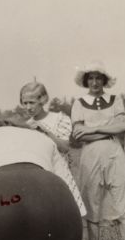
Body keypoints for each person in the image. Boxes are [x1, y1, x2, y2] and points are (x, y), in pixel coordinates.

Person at [71, 61, 125, 240]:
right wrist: (108, 130)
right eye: (90, 78)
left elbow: (124, 126)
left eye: (98, 78)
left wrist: (94, 128)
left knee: (123, 199)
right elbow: (79, 134)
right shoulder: (79, 103)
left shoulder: (115, 100)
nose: (94, 82)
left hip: (114, 152)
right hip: (90, 154)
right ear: (85, 81)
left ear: (104, 80)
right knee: (91, 201)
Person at [20, 81, 86, 217]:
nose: (28, 107)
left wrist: (46, 132)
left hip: (57, 172)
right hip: (35, 176)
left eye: (31, 102)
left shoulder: (59, 119)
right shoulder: (25, 126)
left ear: (43, 100)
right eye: (25, 103)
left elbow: (65, 147)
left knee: (64, 215)